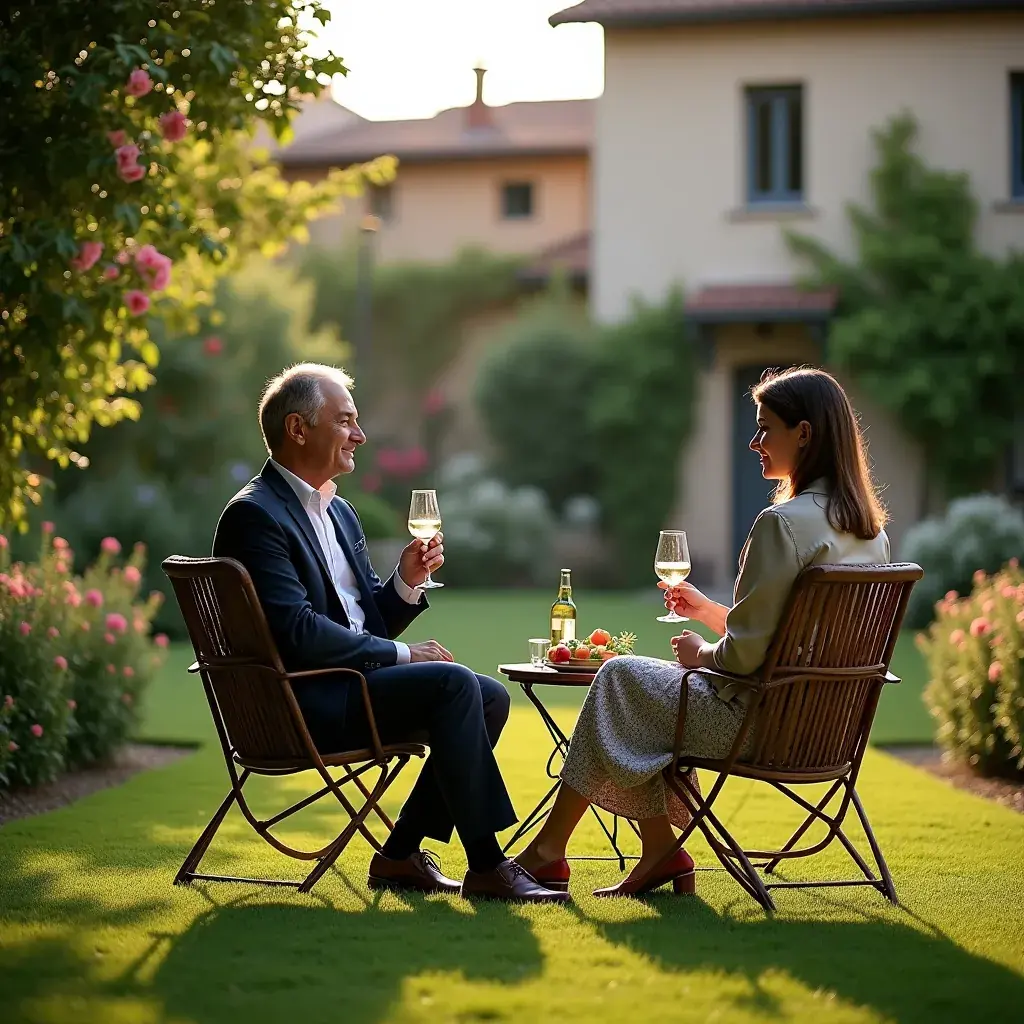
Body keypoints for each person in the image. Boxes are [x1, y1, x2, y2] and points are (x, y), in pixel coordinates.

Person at [515, 366, 890, 897]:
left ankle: (552, 853)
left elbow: (740, 661)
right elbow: (788, 641)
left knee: (619, 679)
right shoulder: (870, 536)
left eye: (766, 429)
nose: (755, 441)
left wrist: (701, 653)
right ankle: (656, 854)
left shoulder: (782, 523)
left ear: (804, 433)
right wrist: (712, 613)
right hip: (824, 730)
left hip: (755, 727)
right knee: (639, 698)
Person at [213, 363, 567, 904]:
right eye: (346, 421)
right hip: (306, 701)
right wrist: (404, 654)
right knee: (452, 684)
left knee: (489, 697)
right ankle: (488, 864)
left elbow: (361, 623)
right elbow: (300, 633)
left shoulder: (340, 513)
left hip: (350, 687)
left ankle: (399, 854)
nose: (360, 435)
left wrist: (405, 582)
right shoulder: (255, 517)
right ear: (298, 429)